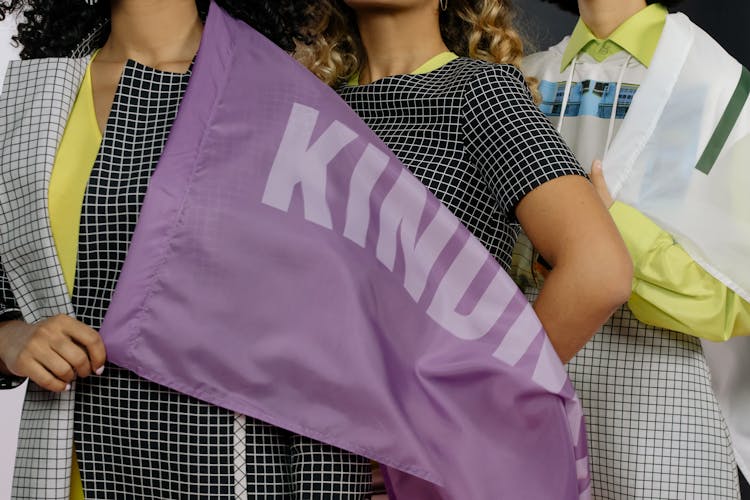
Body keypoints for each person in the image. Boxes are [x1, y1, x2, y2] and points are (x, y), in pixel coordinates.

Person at [0, 0, 374, 498]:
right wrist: (9, 337)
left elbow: (326, 352)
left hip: (227, 472)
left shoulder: (275, 96)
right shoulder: (27, 100)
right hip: (57, 469)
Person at [297, 0, 633, 366]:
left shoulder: (479, 92)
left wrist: (488, 399)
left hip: (410, 412)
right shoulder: (309, 104)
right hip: (308, 400)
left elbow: (599, 267)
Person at [518, 0, 750, 496]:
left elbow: (734, 301)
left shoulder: (710, 85)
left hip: (664, 406)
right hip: (531, 390)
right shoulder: (522, 78)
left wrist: (605, 233)